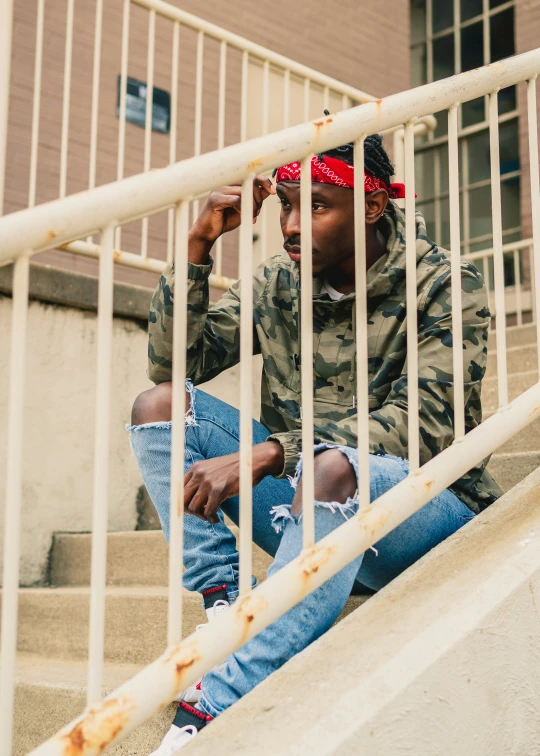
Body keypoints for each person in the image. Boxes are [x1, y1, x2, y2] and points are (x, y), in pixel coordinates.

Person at [128, 134, 501, 753]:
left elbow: (423, 427)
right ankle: (226, 599)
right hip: (310, 511)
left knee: (332, 466)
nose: (293, 227)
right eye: (287, 207)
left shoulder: (443, 283)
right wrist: (197, 250)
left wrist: (275, 451)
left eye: (318, 206)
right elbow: (174, 362)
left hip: (422, 518)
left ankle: (214, 704)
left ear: (374, 206)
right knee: (159, 409)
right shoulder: (282, 280)